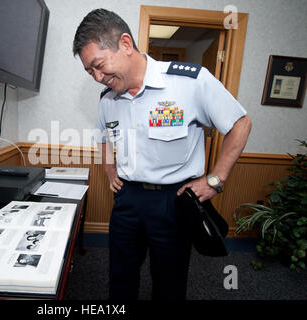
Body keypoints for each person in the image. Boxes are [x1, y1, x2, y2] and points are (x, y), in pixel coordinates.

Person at [72, 9, 251, 300]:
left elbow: (240, 123)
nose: (97, 77)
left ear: (126, 45)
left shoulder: (189, 83)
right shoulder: (107, 99)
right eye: (89, 71)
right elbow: (103, 137)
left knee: (169, 282)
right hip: (128, 200)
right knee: (120, 278)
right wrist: (109, 170)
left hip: (173, 201)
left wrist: (215, 179)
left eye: (99, 65)